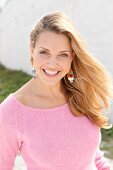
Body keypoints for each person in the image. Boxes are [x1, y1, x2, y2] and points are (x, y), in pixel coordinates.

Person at [0, 12, 113, 170]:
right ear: (32, 50)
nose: (52, 64)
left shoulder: (79, 93)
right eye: (44, 52)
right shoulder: (12, 112)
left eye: (63, 55)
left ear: (72, 57)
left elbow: (93, 156)